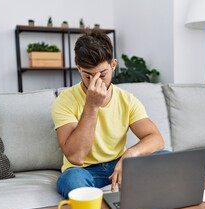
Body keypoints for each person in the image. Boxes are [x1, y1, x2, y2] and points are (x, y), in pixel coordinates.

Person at [52, 28, 165, 199]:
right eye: (88, 76)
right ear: (79, 68)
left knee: (165, 158)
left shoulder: (127, 99)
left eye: (102, 75)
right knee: (70, 179)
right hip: (84, 170)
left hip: (119, 164)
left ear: (113, 65)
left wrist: (130, 155)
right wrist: (91, 105)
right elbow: (76, 156)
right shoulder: (64, 101)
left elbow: (156, 139)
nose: (95, 82)